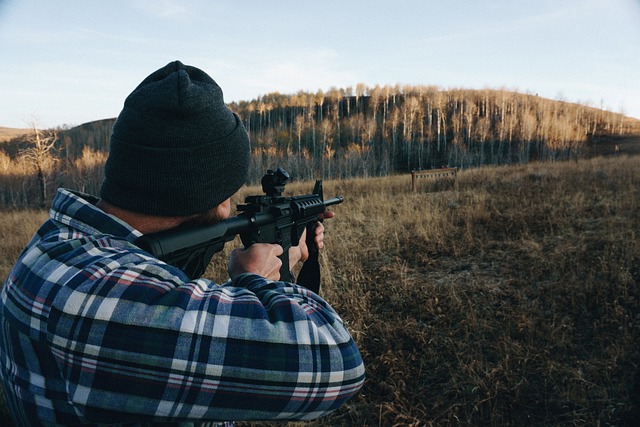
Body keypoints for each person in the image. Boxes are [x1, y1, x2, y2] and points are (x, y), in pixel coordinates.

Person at [0, 61, 365, 426]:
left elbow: (167, 294)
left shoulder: (53, 244)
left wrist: (293, 251)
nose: (228, 207)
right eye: (227, 192)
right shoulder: (103, 301)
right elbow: (338, 364)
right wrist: (256, 280)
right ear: (198, 190)